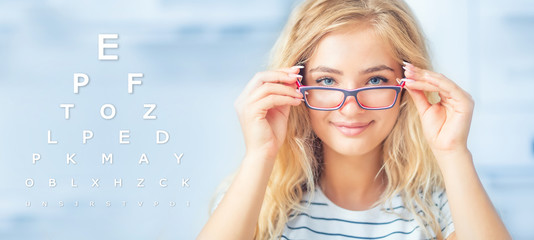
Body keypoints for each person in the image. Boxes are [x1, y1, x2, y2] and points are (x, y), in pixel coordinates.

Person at [197, 0, 511, 239]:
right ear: (295, 86)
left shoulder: (441, 206)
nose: (350, 108)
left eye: (375, 80)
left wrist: (453, 151)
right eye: (326, 81)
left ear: (408, 87)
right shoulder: (259, 199)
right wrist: (260, 154)